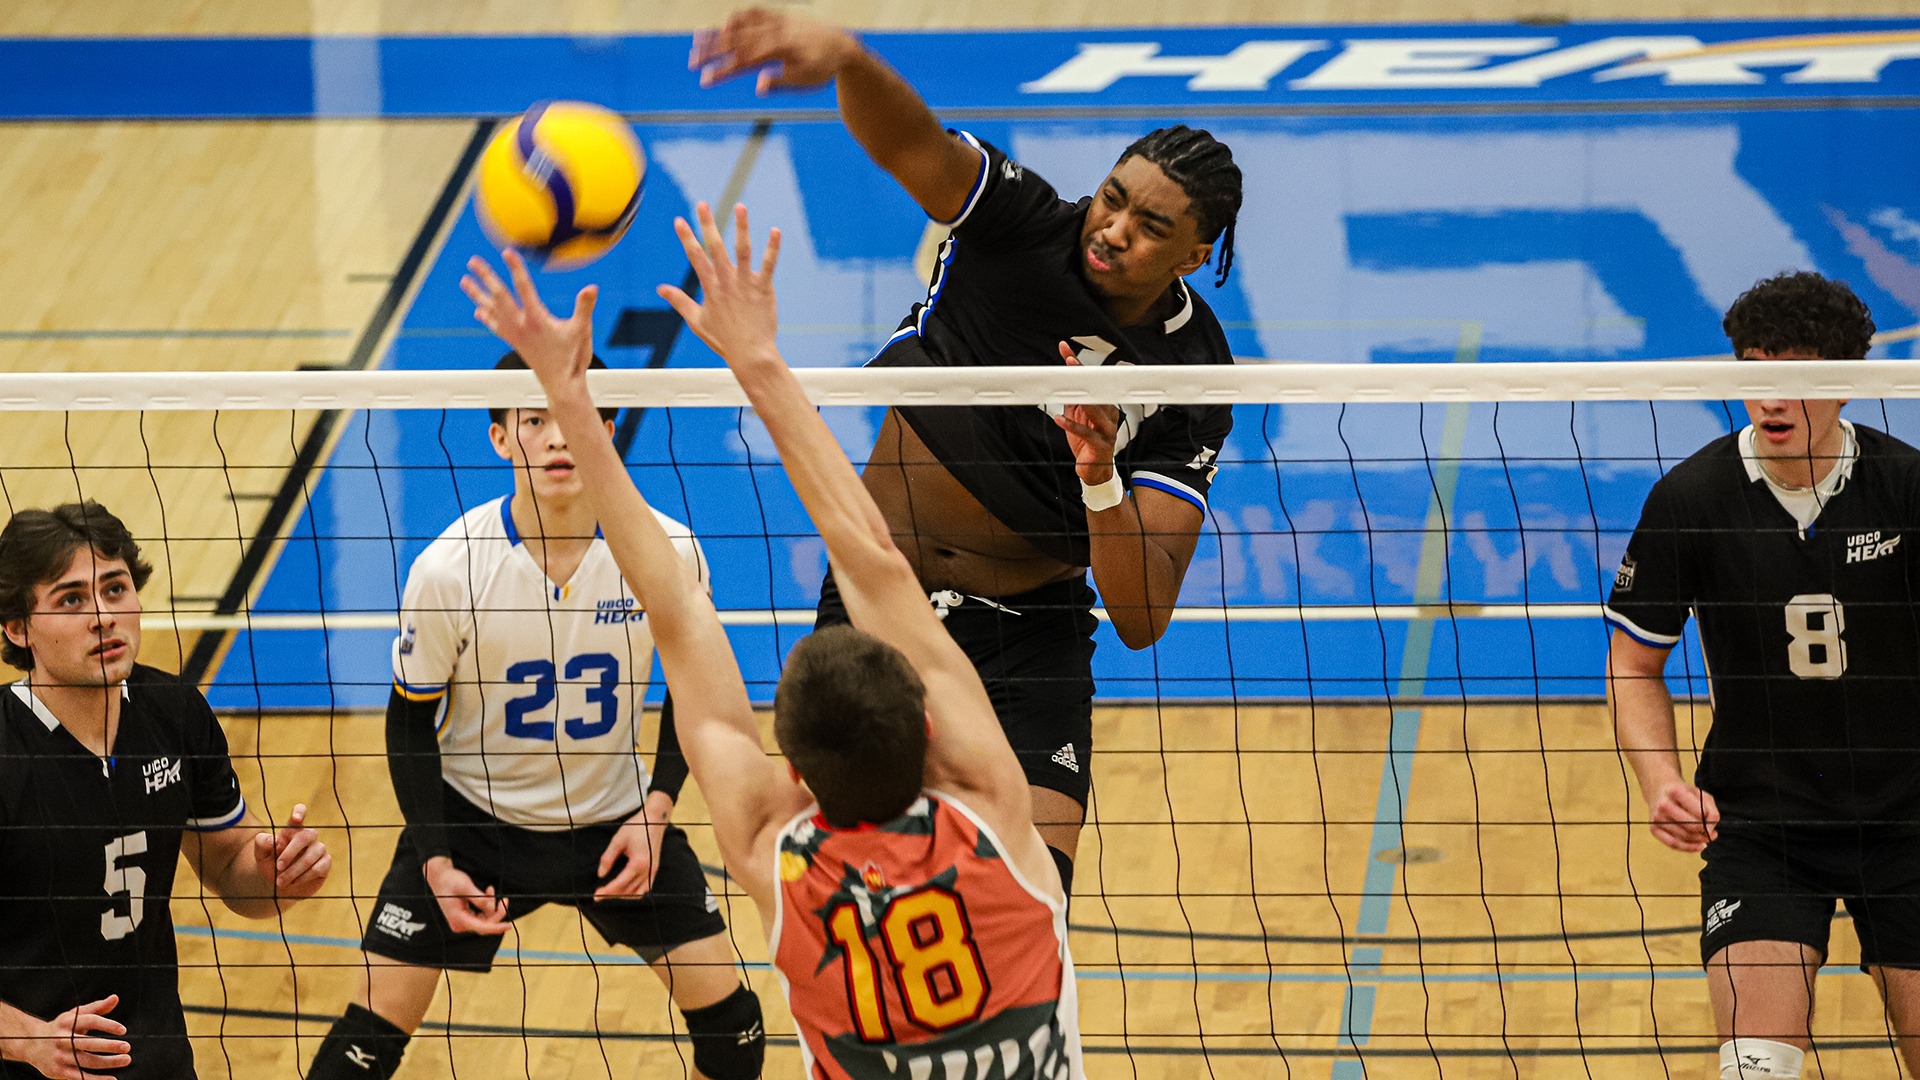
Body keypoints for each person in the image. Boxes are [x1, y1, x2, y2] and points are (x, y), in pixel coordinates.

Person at [463, 202, 1083, 1078]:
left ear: (790, 772)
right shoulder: (991, 802)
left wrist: (571, 401)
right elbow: (874, 563)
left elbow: (674, 609)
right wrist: (760, 360)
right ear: (931, 728)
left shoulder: (772, 851)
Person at [692, 8, 1243, 894]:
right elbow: (916, 148)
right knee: (846, 895)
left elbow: (1141, 617)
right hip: (879, 606)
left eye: (1150, 224)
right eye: (1113, 197)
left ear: (1196, 251)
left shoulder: (1195, 374)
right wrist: (848, 60)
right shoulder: (1023, 224)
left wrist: (1100, 474)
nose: (1112, 228)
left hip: (1030, 641)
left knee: (1034, 904)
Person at [304, 353, 763, 1080]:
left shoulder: (667, 553)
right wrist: (435, 855)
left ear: (606, 430)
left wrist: (658, 809)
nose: (555, 439)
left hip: (617, 825)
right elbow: (407, 723)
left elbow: (694, 693)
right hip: (475, 825)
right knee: (363, 1044)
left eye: (573, 420)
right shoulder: (449, 569)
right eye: (533, 420)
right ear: (498, 438)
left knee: (736, 1031)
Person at [1605, 271, 1920, 1079]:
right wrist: (1658, 780)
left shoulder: (1909, 489)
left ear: (1847, 381)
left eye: (1796, 374)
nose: (1771, 398)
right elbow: (1636, 666)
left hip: (1910, 819)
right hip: (1763, 825)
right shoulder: (1691, 497)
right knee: (1755, 1065)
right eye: (1753, 368)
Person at [0, 501, 329, 1079]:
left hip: (156, 1060)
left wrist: (274, 877)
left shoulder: (174, 713)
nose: (103, 616)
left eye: (116, 587)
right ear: (17, 628)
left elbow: (231, 870)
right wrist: (27, 1040)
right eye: (71, 599)